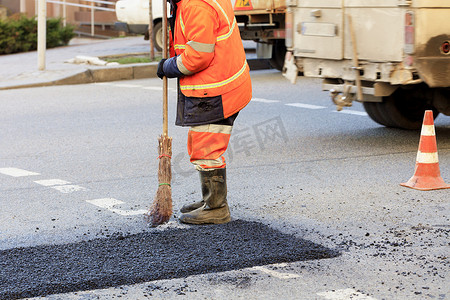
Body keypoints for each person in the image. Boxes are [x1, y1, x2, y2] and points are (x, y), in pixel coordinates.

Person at [157, 0, 252, 224]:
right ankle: (209, 200)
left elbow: (198, 56)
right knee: (202, 144)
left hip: (217, 90)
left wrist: (168, 66)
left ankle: (217, 208)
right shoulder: (189, 3)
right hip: (218, 84)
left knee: (206, 149)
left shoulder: (196, 6)